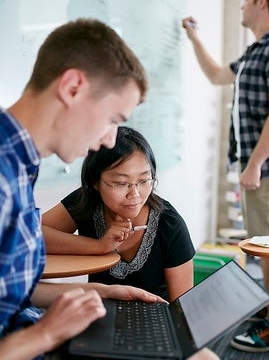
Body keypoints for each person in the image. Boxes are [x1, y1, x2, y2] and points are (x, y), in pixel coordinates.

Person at [0, 18, 225, 360]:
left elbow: (13, 293)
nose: (107, 140)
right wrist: (46, 334)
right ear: (72, 88)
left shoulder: (20, 166)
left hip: (30, 333)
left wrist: (101, 292)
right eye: (113, 120)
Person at [182, 0, 269, 352]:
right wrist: (194, 36)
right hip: (258, 163)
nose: (242, 5)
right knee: (261, 242)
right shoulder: (257, 50)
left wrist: (254, 164)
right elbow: (219, 75)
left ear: (261, 2)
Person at [41, 126, 195, 302]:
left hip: (156, 324)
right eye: (121, 183)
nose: (135, 195)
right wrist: (99, 246)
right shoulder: (86, 202)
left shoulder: (170, 224)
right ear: (95, 182)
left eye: (144, 180)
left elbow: (182, 311)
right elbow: (31, 235)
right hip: (98, 316)